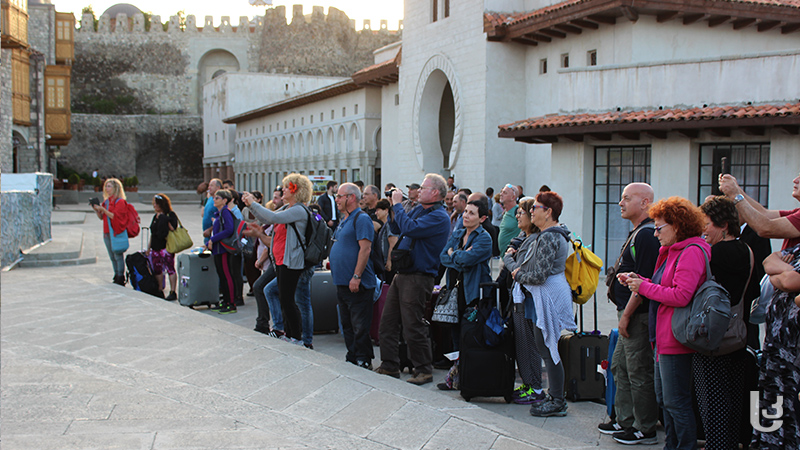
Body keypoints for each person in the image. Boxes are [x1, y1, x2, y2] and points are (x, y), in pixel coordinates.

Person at [622, 196, 710, 450]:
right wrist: (637, 280)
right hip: (664, 336)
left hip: (676, 338)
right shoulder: (674, 250)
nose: (656, 233)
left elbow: (681, 295)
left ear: (678, 225)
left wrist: (644, 286)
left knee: (675, 402)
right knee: (665, 399)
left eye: (660, 228)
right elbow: (664, 286)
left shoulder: (691, 251)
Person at [598, 183, 660, 445]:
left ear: (645, 202)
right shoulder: (637, 232)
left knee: (637, 370)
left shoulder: (647, 235)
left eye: (627, 198)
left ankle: (645, 428)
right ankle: (624, 421)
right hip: (627, 313)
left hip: (637, 315)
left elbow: (644, 282)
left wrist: (626, 316)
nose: (620, 203)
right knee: (620, 367)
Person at [375, 174, 451, 385]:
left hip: (419, 276)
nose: (419, 192)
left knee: (412, 324)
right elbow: (399, 228)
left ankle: (423, 369)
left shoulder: (439, 216)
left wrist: (399, 205)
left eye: (424, 188)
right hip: (404, 273)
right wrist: (393, 207)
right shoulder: (421, 209)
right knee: (388, 322)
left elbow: (410, 228)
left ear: (435, 192)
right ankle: (389, 365)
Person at [692, 196, 753, 450]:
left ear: (724, 225)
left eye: (707, 223)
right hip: (739, 335)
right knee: (733, 401)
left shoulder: (713, 254)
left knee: (713, 405)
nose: (703, 229)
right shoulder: (747, 250)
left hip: (712, 339)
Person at [510, 191, 576, 417]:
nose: (530, 211)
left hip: (548, 296)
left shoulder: (549, 236)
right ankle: (554, 396)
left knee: (549, 349)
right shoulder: (550, 234)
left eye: (535, 208)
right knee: (546, 346)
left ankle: (557, 400)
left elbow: (539, 275)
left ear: (548, 212)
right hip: (546, 295)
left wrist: (518, 274)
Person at [242, 174, 312, 343]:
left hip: (291, 261)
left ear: (297, 190)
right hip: (281, 260)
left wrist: (253, 203)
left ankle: (296, 336)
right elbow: (267, 217)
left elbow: (273, 218)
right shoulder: (288, 207)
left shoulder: (298, 209)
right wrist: (251, 207)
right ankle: (289, 334)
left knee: (288, 300)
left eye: (287, 187)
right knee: (283, 298)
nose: (283, 190)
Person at [751, 243, 800, 450]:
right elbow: (768, 261)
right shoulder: (797, 249)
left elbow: (789, 282)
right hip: (775, 345)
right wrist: (782, 276)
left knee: (791, 406)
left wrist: (779, 275)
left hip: (794, 350)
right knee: (769, 398)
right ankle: (766, 443)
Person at [502, 199, 545, 404]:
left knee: (530, 345)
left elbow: (518, 270)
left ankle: (536, 387)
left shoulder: (535, 239)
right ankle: (528, 384)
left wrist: (508, 257)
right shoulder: (523, 238)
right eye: (517, 213)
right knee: (522, 344)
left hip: (529, 301)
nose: (518, 216)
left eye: (522, 213)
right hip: (519, 300)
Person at [330, 183, 377, 369]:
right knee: (347, 324)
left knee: (359, 324)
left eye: (340, 196)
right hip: (342, 282)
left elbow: (365, 249)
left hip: (357, 282)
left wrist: (356, 276)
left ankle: (364, 358)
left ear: (351, 197)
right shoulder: (345, 219)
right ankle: (352, 355)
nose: (337, 199)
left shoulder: (361, 219)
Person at [719, 172, 800, 250]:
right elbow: (764, 213)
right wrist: (736, 189)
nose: (795, 180)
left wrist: (735, 195)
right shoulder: (797, 212)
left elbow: (766, 228)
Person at [206, 189, 239, 315]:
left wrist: (213, 239)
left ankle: (231, 303)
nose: (214, 200)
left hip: (223, 248)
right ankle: (225, 301)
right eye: (214, 198)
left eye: (217, 198)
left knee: (226, 275)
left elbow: (229, 229)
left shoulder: (225, 212)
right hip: (217, 248)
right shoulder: (219, 213)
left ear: (225, 200)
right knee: (221, 275)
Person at [92, 178, 129, 286]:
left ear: (115, 188)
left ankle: (120, 276)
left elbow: (115, 217)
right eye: (106, 186)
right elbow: (102, 217)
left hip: (116, 232)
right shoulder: (106, 202)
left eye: (109, 186)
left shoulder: (120, 202)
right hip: (107, 232)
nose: (107, 189)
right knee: (112, 256)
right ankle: (116, 274)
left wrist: (103, 210)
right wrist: (97, 211)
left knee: (118, 255)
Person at [148, 194, 179, 300]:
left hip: (166, 247)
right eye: (154, 204)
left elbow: (173, 228)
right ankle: (159, 289)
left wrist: (164, 218)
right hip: (155, 247)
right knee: (157, 269)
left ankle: (173, 291)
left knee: (170, 268)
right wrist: (149, 247)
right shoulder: (155, 216)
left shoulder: (170, 214)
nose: (155, 206)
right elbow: (152, 233)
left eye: (156, 203)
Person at [375, 199, 398, 283]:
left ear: (386, 211)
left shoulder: (390, 224)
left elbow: (393, 242)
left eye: (378, 210)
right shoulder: (385, 225)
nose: (376, 213)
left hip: (389, 264)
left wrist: (389, 261)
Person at [497, 184, 521, 254]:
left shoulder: (517, 211)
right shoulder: (506, 212)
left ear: (513, 197)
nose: (501, 194)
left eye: (505, 193)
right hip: (504, 257)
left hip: (512, 257)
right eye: (501, 192)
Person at [202, 179, 222, 245]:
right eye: (209, 186)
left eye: (211, 186)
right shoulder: (210, 198)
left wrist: (210, 229)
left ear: (218, 187)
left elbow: (220, 219)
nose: (209, 188)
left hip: (214, 234)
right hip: (207, 235)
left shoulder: (219, 201)